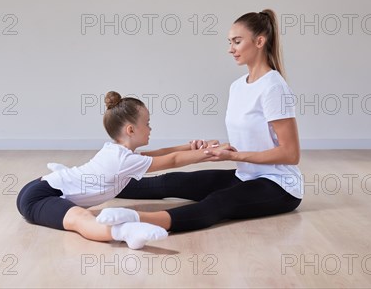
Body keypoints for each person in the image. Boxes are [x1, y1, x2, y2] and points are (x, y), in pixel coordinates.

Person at [96, 9, 303, 232]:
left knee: (218, 202)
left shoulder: (274, 88)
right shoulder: (238, 86)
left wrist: (233, 156)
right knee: (174, 181)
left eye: (237, 41)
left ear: (260, 41)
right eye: (230, 42)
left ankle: (135, 222)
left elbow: (290, 154)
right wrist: (219, 148)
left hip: (280, 186)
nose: (230, 49)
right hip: (246, 176)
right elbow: (254, 137)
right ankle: (82, 184)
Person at [16, 91, 231, 249]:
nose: (150, 128)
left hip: (45, 186)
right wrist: (212, 154)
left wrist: (192, 147)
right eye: (147, 123)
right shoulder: (123, 160)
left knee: (81, 205)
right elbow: (172, 160)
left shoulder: (120, 153)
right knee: (80, 219)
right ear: (130, 129)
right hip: (38, 197)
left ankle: (68, 181)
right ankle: (124, 232)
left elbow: (163, 153)